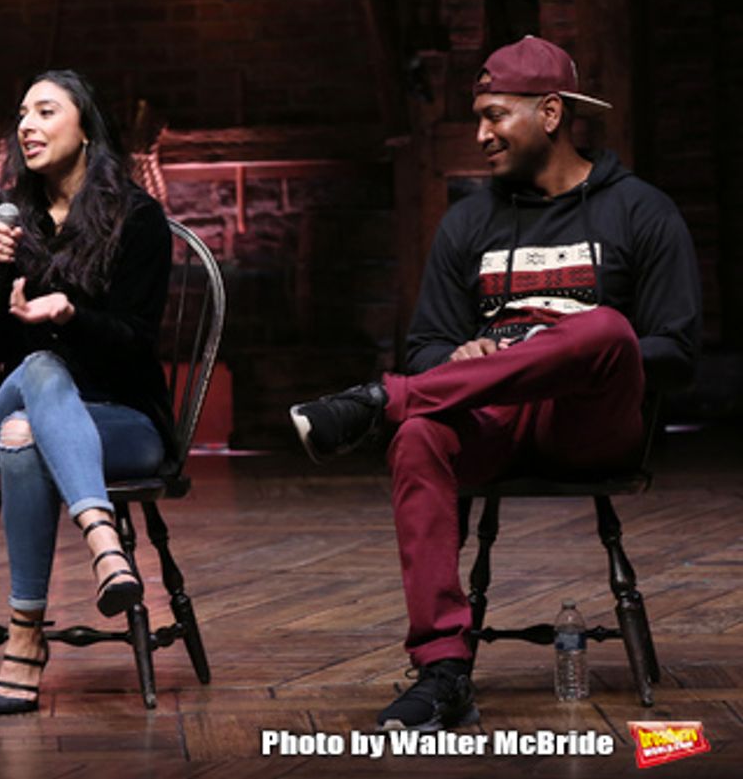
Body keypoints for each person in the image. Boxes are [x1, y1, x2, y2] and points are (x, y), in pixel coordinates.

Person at [289, 36, 701, 731]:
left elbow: (679, 352)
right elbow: (425, 345)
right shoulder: (469, 221)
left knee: (603, 329)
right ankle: (444, 671)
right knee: (419, 433)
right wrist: (459, 356)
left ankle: (376, 401)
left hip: (589, 425)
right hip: (492, 422)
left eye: (494, 115)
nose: (479, 134)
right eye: (476, 116)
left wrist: (567, 350)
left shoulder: (640, 211)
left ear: (548, 113)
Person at [0, 69, 176, 716]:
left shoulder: (137, 219)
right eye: (21, 114)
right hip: (26, 391)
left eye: (46, 111)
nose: (26, 125)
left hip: (123, 419)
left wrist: (69, 314)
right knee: (42, 372)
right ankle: (101, 535)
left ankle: (24, 637)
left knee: (24, 437)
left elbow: (139, 342)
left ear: (85, 129)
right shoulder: (8, 218)